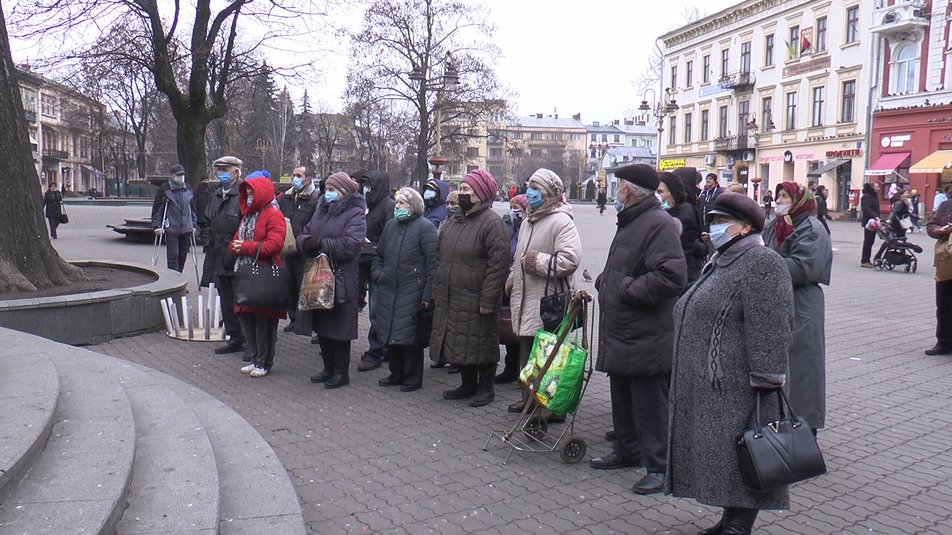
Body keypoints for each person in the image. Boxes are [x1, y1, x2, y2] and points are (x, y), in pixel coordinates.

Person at [667, 192, 795, 535]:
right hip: (716, 387)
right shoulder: (724, 259)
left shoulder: (762, 262)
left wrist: (767, 380)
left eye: (721, 222)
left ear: (745, 227)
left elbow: (771, 326)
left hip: (740, 387)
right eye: (712, 220)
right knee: (725, 458)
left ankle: (739, 525)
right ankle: (730, 519)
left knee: (742, 457)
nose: (714, 228)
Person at [590, 163, 687, 496]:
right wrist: (607, 282)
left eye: (619, 187)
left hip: (645, 333)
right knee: (623, 395)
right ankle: (627, 450)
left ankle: (659, 468)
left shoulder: (657, 223)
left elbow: (672, 276)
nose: (616, 192)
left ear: (628, 191)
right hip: (624, 331)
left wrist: (627, 289)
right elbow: (627, 265)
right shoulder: (632, 219)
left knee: (649, 404)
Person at [430, 169, 509, 407]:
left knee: (481, 343)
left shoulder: (492, 223)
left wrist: (487, 300)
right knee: (459, 341)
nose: (461, 193)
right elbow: (440, 257)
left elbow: (498, 266)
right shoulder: (455, 220)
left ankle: (485, 389)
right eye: (461, 188)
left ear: (481, 194)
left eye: (467, 189)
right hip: (453, 295)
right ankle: (467, 385)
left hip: (477, 297)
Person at [505, 169, 582, 413]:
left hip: (548, 302)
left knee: (547, 355)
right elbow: (520, 256)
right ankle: (528, 401)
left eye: (537, 189)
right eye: (530, 187)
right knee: (528, 356)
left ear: (549, 193)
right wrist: (512, 278)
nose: (531, 192)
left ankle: (547, 409)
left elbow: (570, 260)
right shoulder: (530, 220)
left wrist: (536, 262)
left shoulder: (561, 220)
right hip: (527, 299)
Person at [762, 182, 832, 433]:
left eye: (785, 196)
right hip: (778, 301)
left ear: (799, 200)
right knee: (781, 367)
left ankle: (806, 427)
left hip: (802, 303)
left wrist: (766, 263)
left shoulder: (811, 227)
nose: (780, 201)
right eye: (778, 196)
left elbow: (805, 268)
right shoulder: (777, 224)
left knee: (804, 367)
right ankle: (781, 422)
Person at [296, 172, 367, 389]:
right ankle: (327, 368)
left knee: (339, 326)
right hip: (318, 276)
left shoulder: (356, 213)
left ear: (344, 191)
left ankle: (340, 372)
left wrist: (322, 244)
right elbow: (304, 234)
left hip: (341, 277)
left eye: (332, 190)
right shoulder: (321, 210)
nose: (327, 194)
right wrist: (306, 243)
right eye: (326, 189)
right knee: (322, 323)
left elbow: (351, 244)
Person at [372, 188, 438, 391]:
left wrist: (428, 294)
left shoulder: (425, 228)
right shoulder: (391, 226)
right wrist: (379, 275)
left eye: (402, 204)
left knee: (410, 337)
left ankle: (412, 377)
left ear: (413, 207)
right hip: (389, 288)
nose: (397, 207)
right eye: (397, 203)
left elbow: (433, 264)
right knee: (391, 332)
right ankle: (396, 372)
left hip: (413, 291)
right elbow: (379, 255)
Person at [229, 175, 287, 378]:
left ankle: (264, 361)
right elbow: (236, 240)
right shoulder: (247, 216)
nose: (250, 197)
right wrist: (236, 247)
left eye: (253, 193)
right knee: (247, 319)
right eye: (248, 194)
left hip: (264, 277)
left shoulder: (273, 214)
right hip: (245, 275)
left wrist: (245, 247)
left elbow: (275, 244)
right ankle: (255, 358)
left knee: (264, 322)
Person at [200, 156, 247, 356]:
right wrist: (206, 239)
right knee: (226, 300)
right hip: (217, 255)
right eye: (219, 170)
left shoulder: (243, 195)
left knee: (241, 301)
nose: (221, 174)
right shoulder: (216, 195)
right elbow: (206, 222)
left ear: (236, 172)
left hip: (236, 257)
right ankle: (234, 337)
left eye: (225, 170)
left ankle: (247, 339)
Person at [356, 170, 395, 372]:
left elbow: (390, 238)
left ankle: (377, 351)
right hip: (368, 263)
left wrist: (371, 246)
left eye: (369, 185)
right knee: (376, 310)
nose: (366, 189)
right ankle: (382, 348)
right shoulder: (369, 206)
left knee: (377, 311)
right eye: (365, 185)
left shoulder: (387, 207)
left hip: (380, 266)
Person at [277, 166, 319, 332]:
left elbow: (315, 224)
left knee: (306, 286)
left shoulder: (314, 199)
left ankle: (308, 322)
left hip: (305, 251)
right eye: (293, 174)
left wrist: (307, 243)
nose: (295, 178)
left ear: (308, 179)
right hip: (288, 249)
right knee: (290, 286)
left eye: (298, 175)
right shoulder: (287, 197)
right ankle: (293, 318)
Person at [495, 194, 528, 384]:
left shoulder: (528, 227)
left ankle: (523, 372)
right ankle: (510, 367)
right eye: (512, 206)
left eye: (518, 207)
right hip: (505, 283)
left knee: (522, 331)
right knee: (508, 326)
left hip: (522, 286)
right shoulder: (507, 227)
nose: (514, 211)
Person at [659, 172, 704, 285]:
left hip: (682, 274)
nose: (657, 196)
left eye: (660, 192)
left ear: (672, 193)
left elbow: (683, 251)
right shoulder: (660, 211)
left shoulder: (684, 212)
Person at [151, 164, 198, 272]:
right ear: (172, 176)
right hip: (171, 229)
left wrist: (194, 225)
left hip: (186, 229)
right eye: (179, 175)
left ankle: (179, 280)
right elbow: (158, 209)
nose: (181, 177)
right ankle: (174, 282)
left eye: (183, 175)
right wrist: (157, 226)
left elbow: (192, 209)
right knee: (173, 257)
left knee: (182, 257)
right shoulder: (165, 189)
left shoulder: (188, 188)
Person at [926, 198, 952, 355]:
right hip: (946, 261)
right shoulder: (946, 205)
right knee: (944, 305)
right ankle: (944, 342)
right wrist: (941, 230)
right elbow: (931, 226)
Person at [860, 182, 881, 268]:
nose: (878, 188)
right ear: (872, 188)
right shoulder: (867, 196)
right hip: (869, 222)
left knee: (870, 241)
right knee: (868, 241)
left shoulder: (873, 196)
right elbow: (866, 209)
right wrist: (875, 216)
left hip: (874, 222)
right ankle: (864, 260)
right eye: (876, 186)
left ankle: (867, 259)